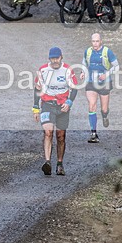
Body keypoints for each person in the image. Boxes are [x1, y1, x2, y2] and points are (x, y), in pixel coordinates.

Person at [33, 47, 78, 176]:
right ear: (49, 59)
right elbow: (37, 89)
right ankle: (47, 162)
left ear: (61, 57)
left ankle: (59, 163)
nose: (55, 61)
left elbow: (74, 88)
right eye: (52, 58)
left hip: (62, 106)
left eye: (57, 58)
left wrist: (69, 102)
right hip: (47, 104)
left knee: (60, 136)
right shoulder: (43, 70)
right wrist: (35, 107)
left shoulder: (67, 70)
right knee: (48, 132)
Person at [81, 33, 119, 143]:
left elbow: (117, 66)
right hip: (91, 82)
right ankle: (93, 133)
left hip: (104, 83)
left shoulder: (107, 52)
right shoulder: (88, 51)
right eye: (93, 41)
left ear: (101, 41)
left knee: (104, 108)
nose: (95, 44)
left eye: (97, 41)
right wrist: (83, 72)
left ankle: (105, 115)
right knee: (92, 105)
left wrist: (106, 75)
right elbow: (84, 63)